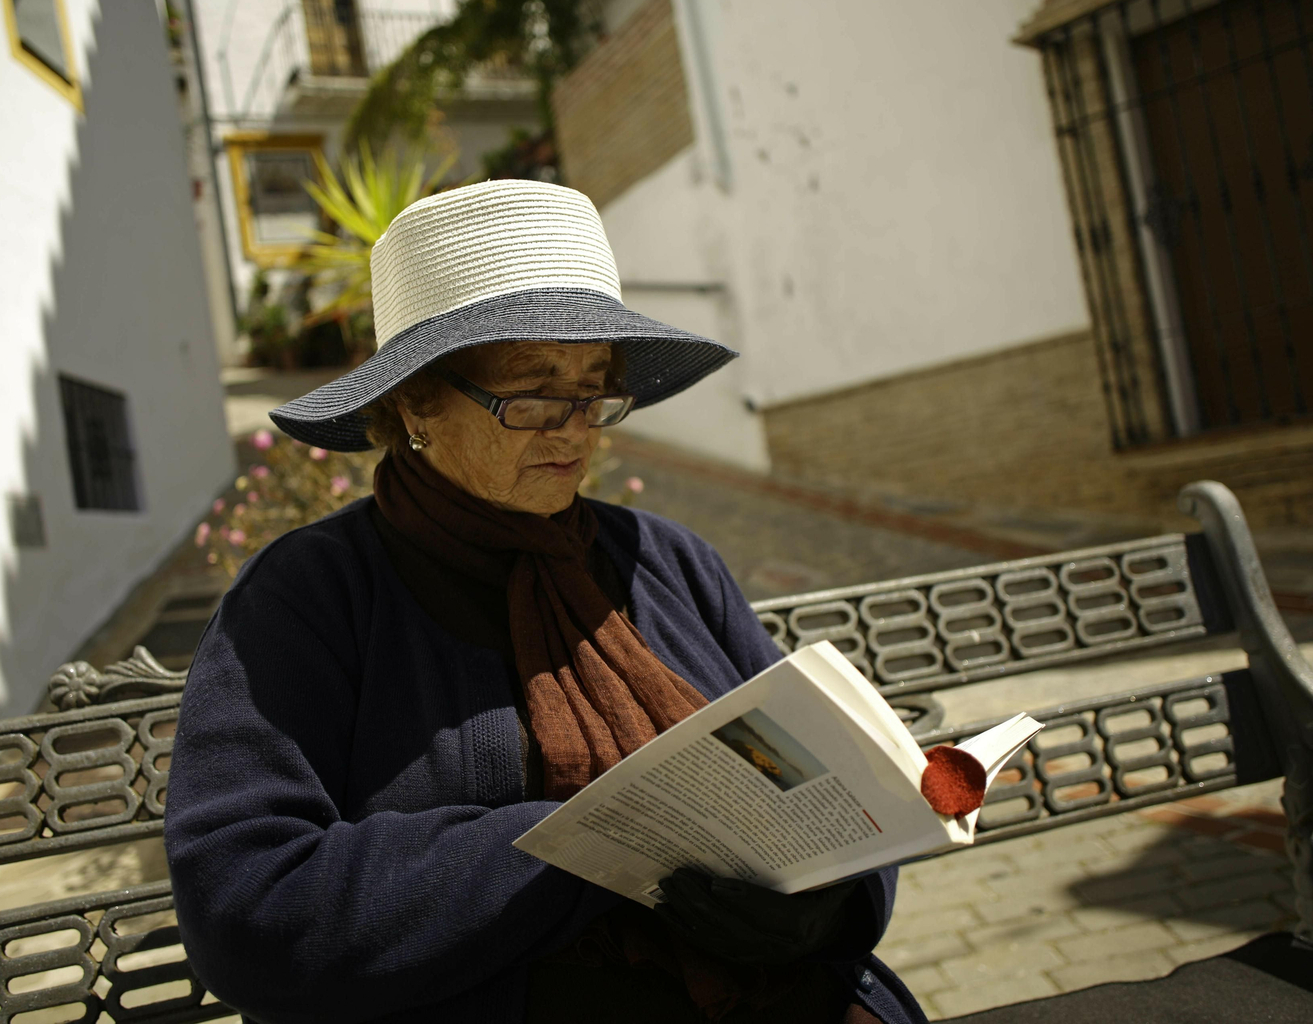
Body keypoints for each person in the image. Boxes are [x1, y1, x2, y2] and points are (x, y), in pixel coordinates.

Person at [163, 180, 927, 1024]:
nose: (573, 430)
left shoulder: (665, 561)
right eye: (532, 394)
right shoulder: (307, 597)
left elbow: (827, 790)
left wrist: (826, 906)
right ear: (416, 400)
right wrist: (597, 847)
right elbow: (249, 904)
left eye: (593, 390)